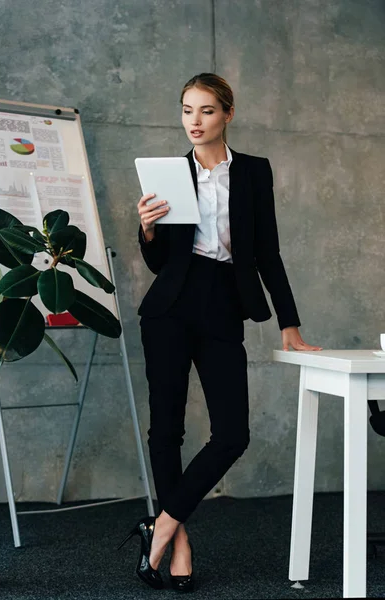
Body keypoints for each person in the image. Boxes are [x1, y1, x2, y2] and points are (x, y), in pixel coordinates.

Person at [118, 72, 322, 592]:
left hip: (225, 305)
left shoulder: (254, 172)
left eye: (206, 110)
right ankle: (179, 542)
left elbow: (268, 253)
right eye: (187, 110)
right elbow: (161, 258)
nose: (194, 121)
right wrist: (146, 229)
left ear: (227, 114)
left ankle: (160, 525)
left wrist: (290, 324)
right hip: (170, 306)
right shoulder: (168, 172)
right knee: (166, 429)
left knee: (233, 434)